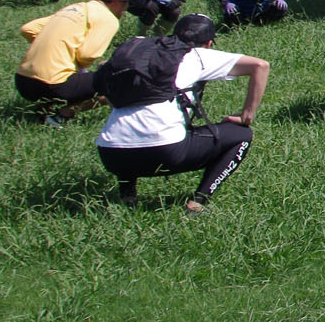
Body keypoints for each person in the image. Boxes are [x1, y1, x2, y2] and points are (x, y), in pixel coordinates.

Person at [95, 14, 269, 214]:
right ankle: (198, 202)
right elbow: (260, 66)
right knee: (241, 135)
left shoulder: (142, 50)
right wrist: (246, 116)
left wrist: (115, 104)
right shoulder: (196, 54)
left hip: (110, 154)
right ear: (208, 42)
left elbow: (103, 67)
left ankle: (127, 195)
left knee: (130, 130)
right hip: (165, 152)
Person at [15, 0, 134, 125]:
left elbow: (28, 29)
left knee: (74, 78)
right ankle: (61, 116)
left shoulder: (74, 8)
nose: (125, 10)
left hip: (23, 82)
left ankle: (43, 109)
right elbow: (86, 55)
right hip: (53, 85)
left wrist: (61, 50)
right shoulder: (108, 18)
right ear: (117, 2)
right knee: (117, 79)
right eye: (126, 4)